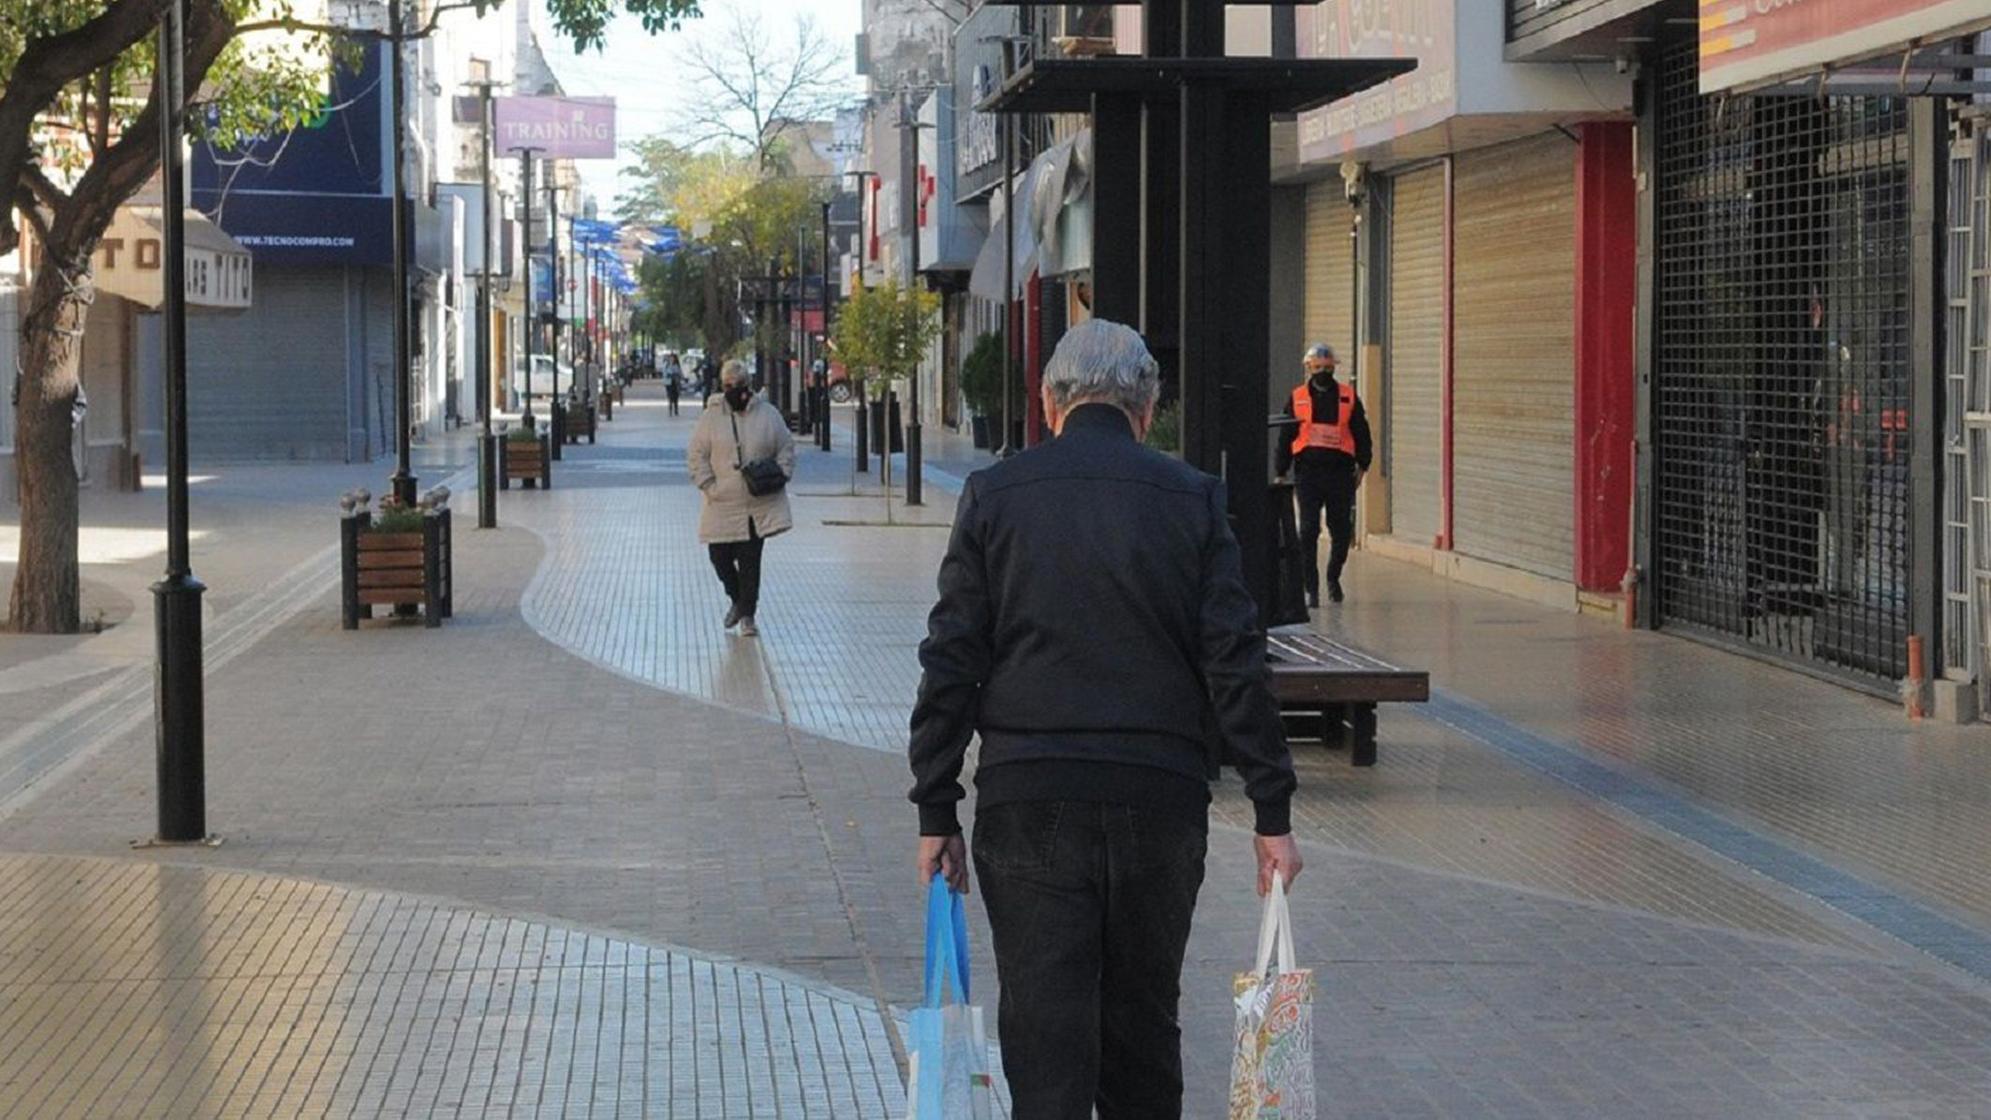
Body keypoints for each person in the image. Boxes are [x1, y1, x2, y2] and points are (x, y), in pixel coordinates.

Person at [908, 318, 1302, 1119]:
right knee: (1141, 1031)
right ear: (1146, 406)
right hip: (1157, 799)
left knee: (1044, 1037)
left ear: (1050, 405)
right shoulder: (1191, 499)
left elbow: (953, 654)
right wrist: (1271, 811)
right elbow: (1235, 658)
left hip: (1027, 797)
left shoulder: (994, 496)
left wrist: (936, 805)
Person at [687, 360, 795, 638]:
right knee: (719, 556)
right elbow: (696, 454)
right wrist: (708, 485)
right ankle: (737, 600)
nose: (735, 391)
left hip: (756, 504)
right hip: (721, 502)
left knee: (750, 562)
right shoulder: (710, 418)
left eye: (740, 386)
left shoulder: (768, 415)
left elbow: (785, 447)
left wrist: (781, 473)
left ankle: (748, 615)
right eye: (729, 387)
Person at [1276, 341, 1372, 607]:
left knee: (1341, 531)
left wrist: (1363, 465)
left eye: (1327, 368)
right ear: (1308, 368)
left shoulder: (1348, 397)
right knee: (1307, 530)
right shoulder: (1297, 398)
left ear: (1333, 369)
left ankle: (1333, 577)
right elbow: (1287, 435)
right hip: (1308, 473)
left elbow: (1361, 432)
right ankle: (1312, 588)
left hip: (1340, 474)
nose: (1322, 372)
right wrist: (1281, 471)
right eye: (1317, 367)